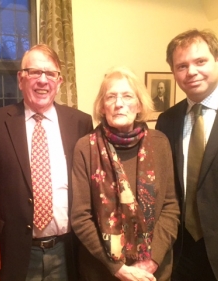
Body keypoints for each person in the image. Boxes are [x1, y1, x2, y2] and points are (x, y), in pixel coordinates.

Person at [0, 44, 93, 281]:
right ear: (21, 79)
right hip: (17, 252)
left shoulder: (80, 122)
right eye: (34, 72)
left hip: (67, 249)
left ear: (59, 81)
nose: (43, 80)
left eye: (50, 73)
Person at [71, 66, 180, 281]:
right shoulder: (85, 147)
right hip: (102, 272)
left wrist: (151, 261)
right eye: (111, 97)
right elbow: (80, 217)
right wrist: (118, 268)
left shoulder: (159, 143)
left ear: (139, 104)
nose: (119, 104)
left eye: (127, 96)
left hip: (153, 272)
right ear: (102, 106)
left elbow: (170, 207)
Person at [156, 29, 218, 281]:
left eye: (200, 61)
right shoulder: (167, 120)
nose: (191, 72)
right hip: (181, 252)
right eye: (182, 66)